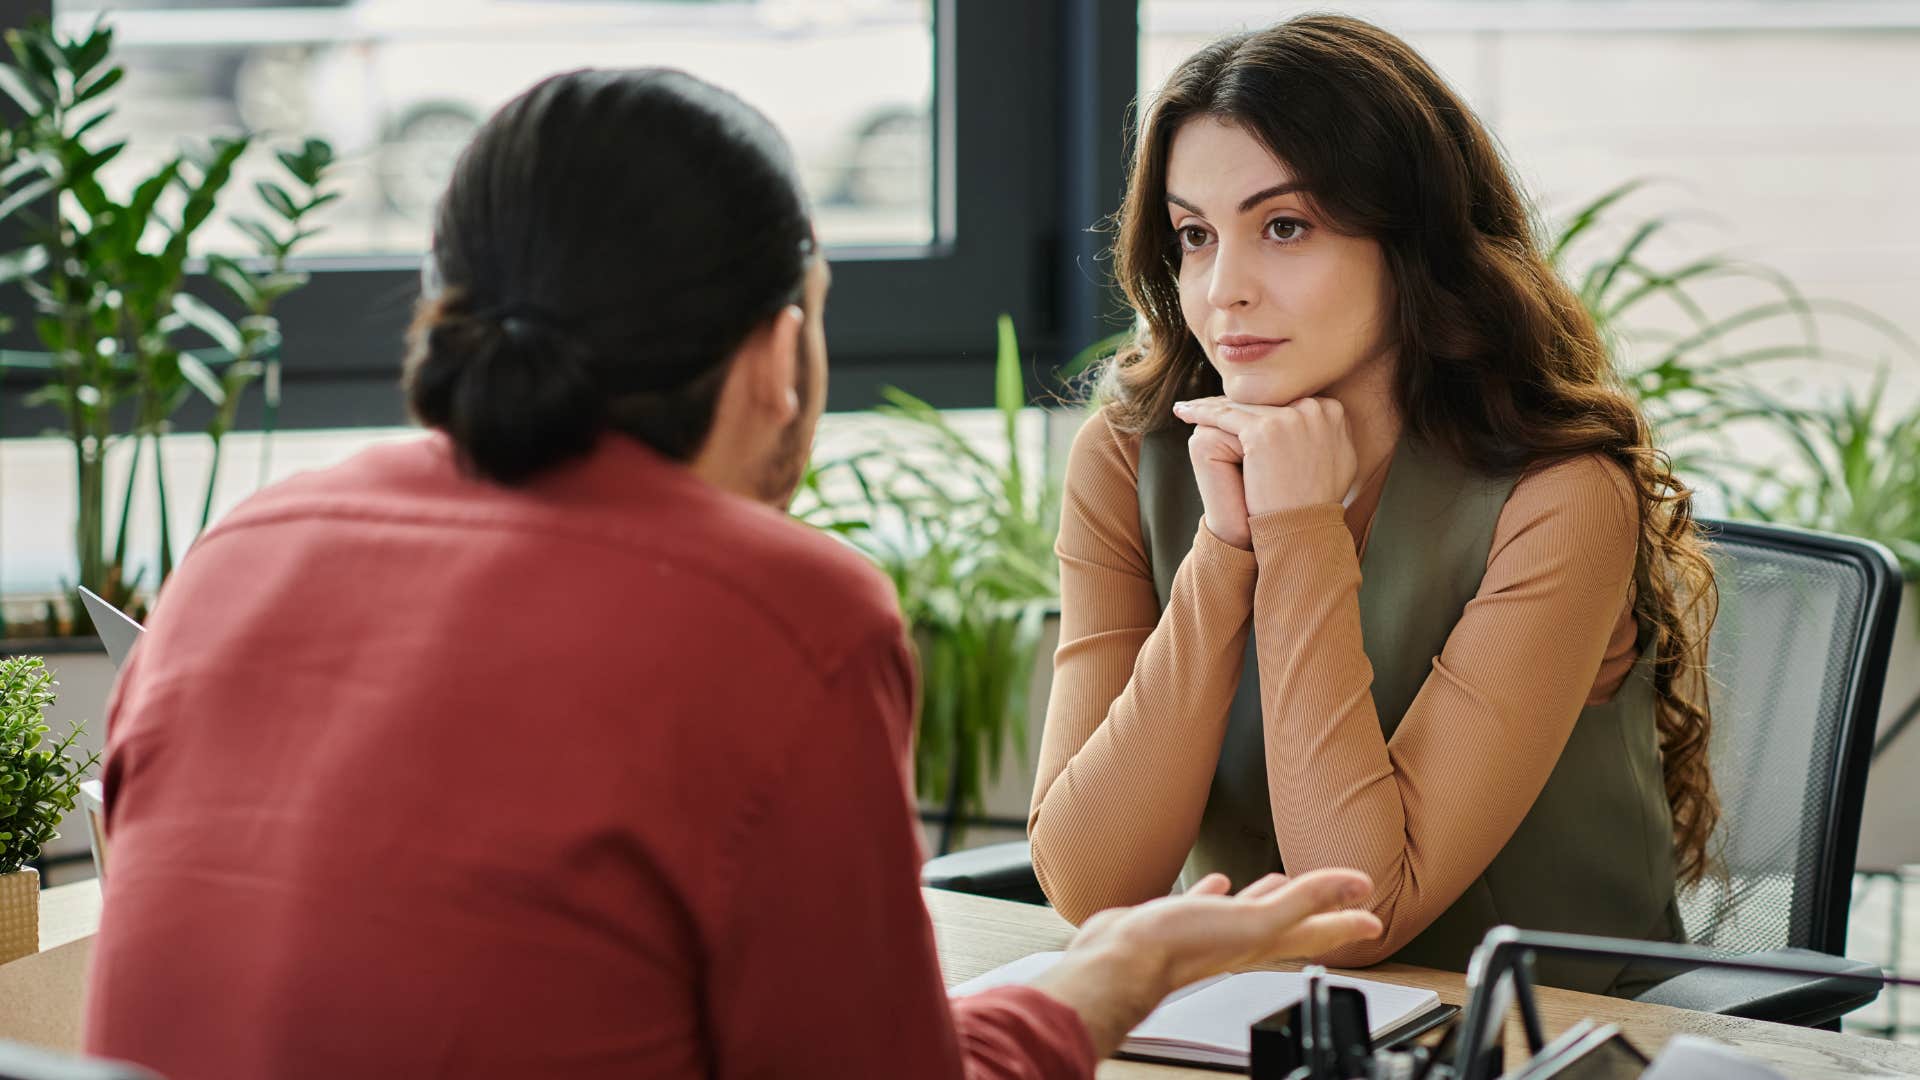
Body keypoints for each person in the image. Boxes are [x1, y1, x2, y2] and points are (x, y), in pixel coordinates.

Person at [83, 68, 1381, 1079]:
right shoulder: (777, 612)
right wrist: (1114, 975)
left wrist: (1103, 966)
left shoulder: (236, 554)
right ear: (781, 353)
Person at [1028, 14, 1720, 996]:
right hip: (1249, 1032)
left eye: (1285, 227)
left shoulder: (1560, 495)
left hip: (1538, 1041)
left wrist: (1301, 532)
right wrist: (1226, 551)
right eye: (1194, 235)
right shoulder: (1129, 458)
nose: (1225, 289)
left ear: (1414, 241)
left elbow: (1356, 915)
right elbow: (1091, 885)